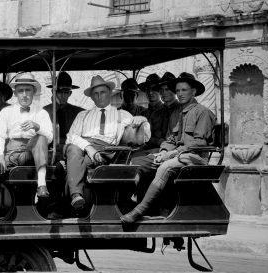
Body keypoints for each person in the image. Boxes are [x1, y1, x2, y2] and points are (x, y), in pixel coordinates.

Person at [122, 73, 216, 223]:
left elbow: (199, 144)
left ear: (193, 91)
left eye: (184, 90)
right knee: (142, 160)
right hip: (178, 155)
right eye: (178, 91)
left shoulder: (203, 112)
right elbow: (171, 138)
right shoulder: (179, 114)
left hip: (195, 158)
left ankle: (139, 211)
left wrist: (172, 153)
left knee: (164, 167)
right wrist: (164, 151)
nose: (180, 94)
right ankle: (133, 202)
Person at [63, 75, 139, 212]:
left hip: (106, 150)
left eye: (103, 92)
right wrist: (89, 147)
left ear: (110, 93)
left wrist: (143, 121)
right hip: (82, 148)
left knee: (67, 165)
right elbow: (71, 136)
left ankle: (67, 205)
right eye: (96, 94)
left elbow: (139, 136)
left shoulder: (123, 115)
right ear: (91, 97)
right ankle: (76, 196)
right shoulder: (83, 115)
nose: (99, 96)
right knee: (73, 149)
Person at [0, 77, 53, 199]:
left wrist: (37, 127)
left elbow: (50, 138)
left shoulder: (42, 113)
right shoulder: (6, 111)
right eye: (21, 91)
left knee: (41, 137)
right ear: (15, 93)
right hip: (12, 153)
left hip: (33, 152)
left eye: (28, 90)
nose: (24, 95)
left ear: (34, 92)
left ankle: (41, 184)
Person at [43, 71, 84, 150]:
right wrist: (55, 105)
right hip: (49, 149)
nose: (62, 96)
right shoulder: (44, 111)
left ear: (70, 93)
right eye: (59, 92)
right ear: (53, 92)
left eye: (66, 92)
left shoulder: (79, 112)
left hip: (71, 149)